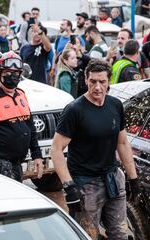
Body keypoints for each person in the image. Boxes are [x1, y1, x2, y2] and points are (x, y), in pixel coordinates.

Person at [50, 59, 141, 239]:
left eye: (102, 82)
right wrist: (69, 187)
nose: (98, 87)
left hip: (113, 179)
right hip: (85, 185)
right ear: (86, 80)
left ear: (109, 81)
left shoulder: (115, 105)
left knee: (120, 234)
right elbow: (56, 149)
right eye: (93, 82)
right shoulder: (74, 110)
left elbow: (122, 143)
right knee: (87, 235)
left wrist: (133, 178)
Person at [0, 51, 44, 182]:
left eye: (16, 73)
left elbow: (30, 129)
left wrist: (37, 155)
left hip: (17, 165)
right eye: (8, 72)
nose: (12, 76)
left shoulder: (21, 95)